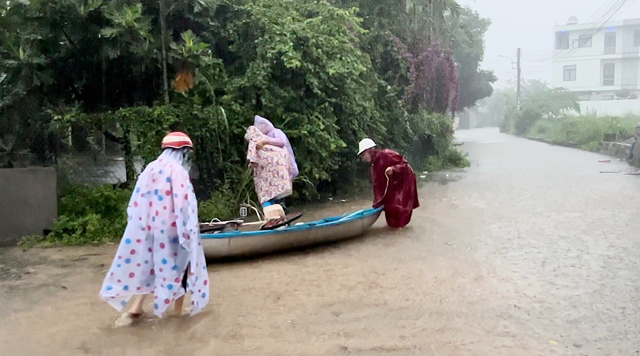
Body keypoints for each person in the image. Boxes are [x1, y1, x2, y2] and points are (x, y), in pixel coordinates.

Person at [99, 132, 209, 326]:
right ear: (183, 151)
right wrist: (189, 229)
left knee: (148, 266)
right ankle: (177, 314)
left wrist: (136, 223)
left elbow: (136, 200)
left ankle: (135, 309)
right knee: (180, 269)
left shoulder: (150, 168)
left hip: (149, 228)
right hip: (172, 232)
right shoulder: (178, 171)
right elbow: (184, 204)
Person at [358, 138, 419, 228]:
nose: (363, 157)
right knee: (389, 208)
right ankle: (394, 230)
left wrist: (394, 169)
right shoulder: (373, 168)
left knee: (399, 207)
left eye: (364, 154)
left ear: (369, 151)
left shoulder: (387, 154)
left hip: (404, 180)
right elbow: (377, 187)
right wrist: (377, 204)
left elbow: (404, 164)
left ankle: (400, 231)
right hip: (392, 184)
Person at [245, 125, 293, 209]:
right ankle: (282, 212)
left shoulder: (254, 141)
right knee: (278, 198)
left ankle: (272, 216)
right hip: (281, 177)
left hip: (266, 177)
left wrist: (251, 164)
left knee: (265, 198)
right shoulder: (271, 142)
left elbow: (252, 158)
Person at [253, 115, 299, 181]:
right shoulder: (266, 136)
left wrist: (266, 141)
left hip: (286, 168)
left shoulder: (276, 132)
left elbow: (281, 142)